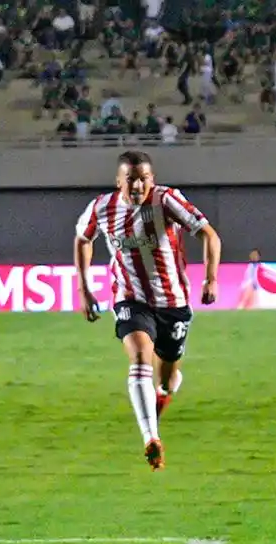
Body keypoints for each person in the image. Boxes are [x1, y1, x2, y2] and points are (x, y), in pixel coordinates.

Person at [73, 150, 222, 471]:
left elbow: (209, 234)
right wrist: (84, 289)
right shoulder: (101, 208)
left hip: (173, 303)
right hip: (130, 298)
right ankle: (151, 438)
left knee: (168, 374)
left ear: (151, 180)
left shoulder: (167, 201)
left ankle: (165, 392)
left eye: (144, 179)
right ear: (119, 182)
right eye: (131, 180)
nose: (138, 185)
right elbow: (83, 239)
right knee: (140, 356)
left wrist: (211, 279)